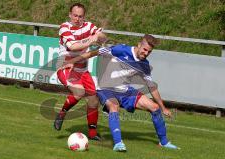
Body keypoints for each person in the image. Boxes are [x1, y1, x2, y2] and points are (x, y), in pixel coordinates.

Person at [61, 34, 179, 151]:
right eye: (145, 49)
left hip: (125, 90)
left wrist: (163, 108)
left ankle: (164, 142)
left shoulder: (144, 65)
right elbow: (94, 53)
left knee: (154, 107)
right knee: (114, 106)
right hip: (105, 88)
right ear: (138, 45)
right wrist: (73, 61)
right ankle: (118, 143)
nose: (146, 53)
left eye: (149, 52)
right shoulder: (120, 50)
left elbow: (152, 87)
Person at [54, 2, 106, 141]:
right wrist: (91, 40)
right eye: (75, 15)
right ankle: (62, 113)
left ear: (84, 17)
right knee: (79, 92)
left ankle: (93, 134)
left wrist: (99, 36)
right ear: (70, 15)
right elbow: (73, 46)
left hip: (82, 70)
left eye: (80, 16)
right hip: (66, 66)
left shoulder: (88, 26)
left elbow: (103, 37)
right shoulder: (64, 27)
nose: (77, 19)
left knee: (94, 100)